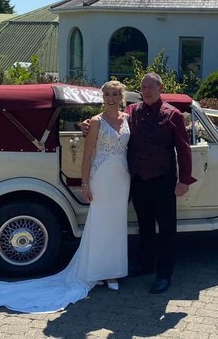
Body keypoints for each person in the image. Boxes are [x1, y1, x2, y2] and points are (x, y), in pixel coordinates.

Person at [0, 80, 131, 313]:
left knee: (117, 225)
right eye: (107, 94)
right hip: (102, 176)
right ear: (103, 97)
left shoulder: (128, 119)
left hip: (122, 178)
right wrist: (84, 183)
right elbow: (88, 155)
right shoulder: (95, 122)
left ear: (121, 97)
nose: (111, 98)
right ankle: (98, 272)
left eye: (115, 94)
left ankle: (113, 271)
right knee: (101, 224)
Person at [84, 73, 196, 294]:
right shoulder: (131, 112)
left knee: (166, 230)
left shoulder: (172, 115)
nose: (147, 91)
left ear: (160, 88)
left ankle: (164, 276)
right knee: (144, 226)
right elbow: (108, 120)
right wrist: (87, 124)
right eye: (143, 87)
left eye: (151, 87)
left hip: (163, 180)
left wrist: (184, 180)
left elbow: (183, 149)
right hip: (138, 181)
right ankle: (144, 265)